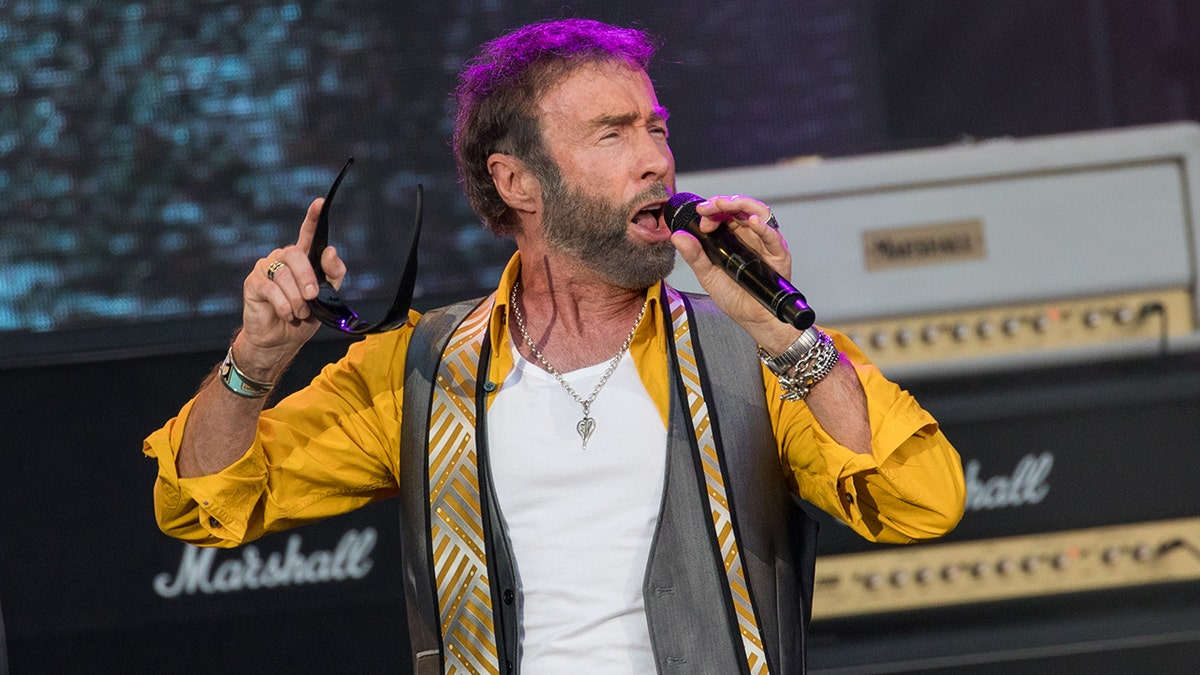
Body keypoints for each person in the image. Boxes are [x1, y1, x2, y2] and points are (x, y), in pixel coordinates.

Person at [146, 18, 965, 674]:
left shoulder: (752, 350)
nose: (656, 160)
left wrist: (791, 341)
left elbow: (918, 501)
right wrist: (253, 363)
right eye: (612, 136)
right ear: (517, 182)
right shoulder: (421, 368)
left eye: (657, 128)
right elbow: (203, 502)